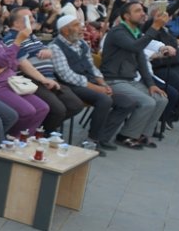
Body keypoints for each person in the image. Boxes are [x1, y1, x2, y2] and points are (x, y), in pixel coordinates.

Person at [50, 15, 134, 152]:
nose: (82, 28)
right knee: (104, 100)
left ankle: (103, 138)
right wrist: (97, 88)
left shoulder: (81, 43)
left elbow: (91, 67)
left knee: (127, 102)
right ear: (65, 31)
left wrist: (103, 84)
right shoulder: (55, 47)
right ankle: (91, 141)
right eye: (77, 25)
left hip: (90, 82)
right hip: (70, 86)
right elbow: (66, 75)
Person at [2, 7, 84, 133]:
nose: (33, 19)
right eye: (28, 18)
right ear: (16, 23)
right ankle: (40, 135)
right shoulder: (11, 38)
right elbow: (23, 64)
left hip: (48, 78)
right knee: (58, 110)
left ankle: (43, 129)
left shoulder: (31, 36)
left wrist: (48, 51)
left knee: (76, 105)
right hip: (31, 80)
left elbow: (47, 50)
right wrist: (44, 79)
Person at [100, 2, 169, 149]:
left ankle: (143, 134)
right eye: (138, 11)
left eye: (143, 10)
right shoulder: (118, 32)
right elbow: (134, 47)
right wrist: (155, 27)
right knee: (148, 102)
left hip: (130, 80)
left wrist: (151, 84)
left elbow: (141, 61)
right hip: (113, 80)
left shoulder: (135, 33)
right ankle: (126, 136)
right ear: (126, 16)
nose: (143, 13)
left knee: (161, 99)